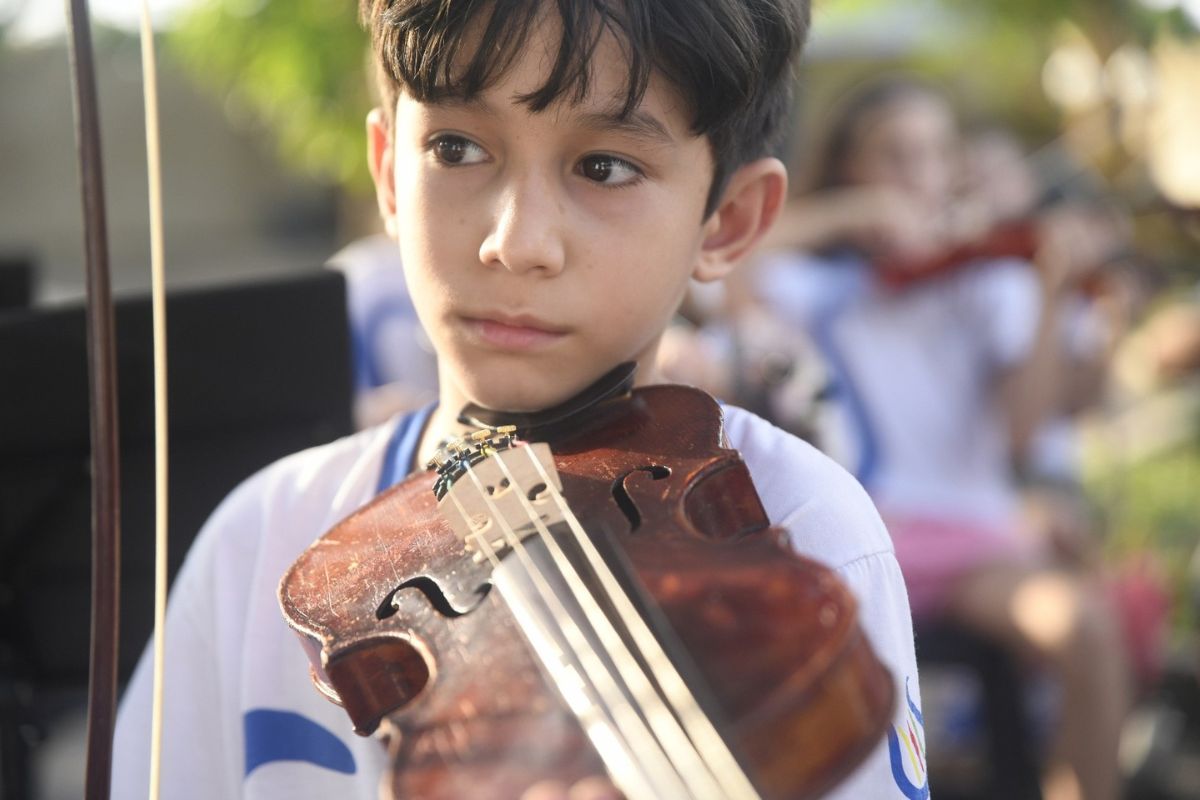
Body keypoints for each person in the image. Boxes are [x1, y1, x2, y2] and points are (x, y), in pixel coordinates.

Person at [111, 2, 926, 799]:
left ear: (728, 223)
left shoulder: (797, 530)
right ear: (389, 169)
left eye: (604, 167)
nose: (516, 241)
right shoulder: (264, 538)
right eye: (457, 148)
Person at [752, 76, 1129, 800]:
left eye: (930, 155)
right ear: (847, 168)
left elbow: (1024, 433)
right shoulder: (819, 282)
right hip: (852, 540)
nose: (916, 176)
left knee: (1088, 628)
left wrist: (1052, 292)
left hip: (969, 549)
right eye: (892, 156)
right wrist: (854, 216)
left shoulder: (990, 280)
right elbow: (729, 256)